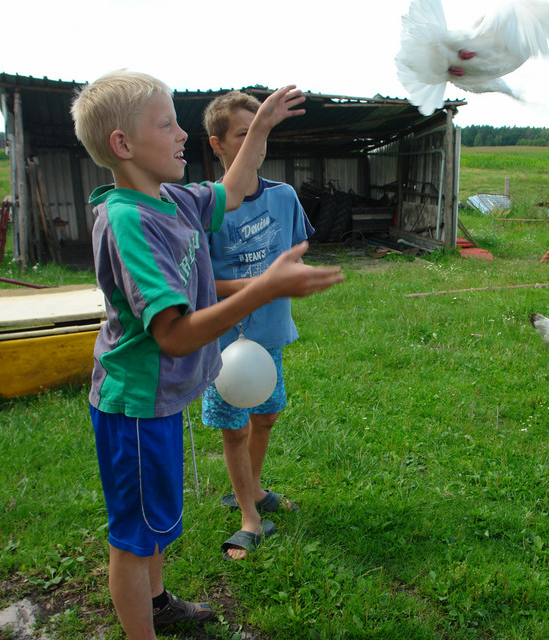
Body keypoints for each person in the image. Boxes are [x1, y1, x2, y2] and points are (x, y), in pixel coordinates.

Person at [70, 70, 343, 640]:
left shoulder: (174, 201)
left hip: (160, 401)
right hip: (136, 405)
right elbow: (173, 334)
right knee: (134, 536)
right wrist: (262, 287)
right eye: (167, 124)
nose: (180, 136)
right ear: (123, 145)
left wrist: (262, 126)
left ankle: (159, 601)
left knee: (154, 521)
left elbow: (236, 186)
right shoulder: (131, 222)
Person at [200, 91, 313, 561]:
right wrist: (260, 283)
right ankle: (249, 515)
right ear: (218, 144)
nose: (257, 142)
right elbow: (202, 282)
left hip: (268, 337)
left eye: (263, 130)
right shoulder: (205, 208)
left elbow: (299, 251)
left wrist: (294, 274)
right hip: (224, 343)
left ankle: (253, 487)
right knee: (233, 428)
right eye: (246, 133)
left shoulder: (283, 197)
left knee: (265, 417)